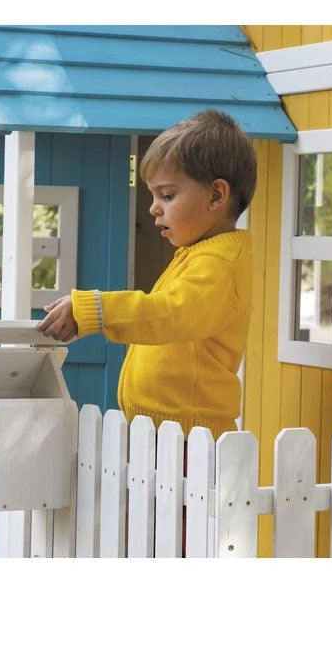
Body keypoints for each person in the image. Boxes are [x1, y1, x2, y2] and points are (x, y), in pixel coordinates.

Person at [36, 108, 257, 446]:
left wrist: (97, 309)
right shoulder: (200, 254)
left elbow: (168, 314)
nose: (154, 207)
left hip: (188, 438)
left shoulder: (219, 263)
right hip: (165, 433)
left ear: (216, 195)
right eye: (154, 195)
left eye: (167, 195)